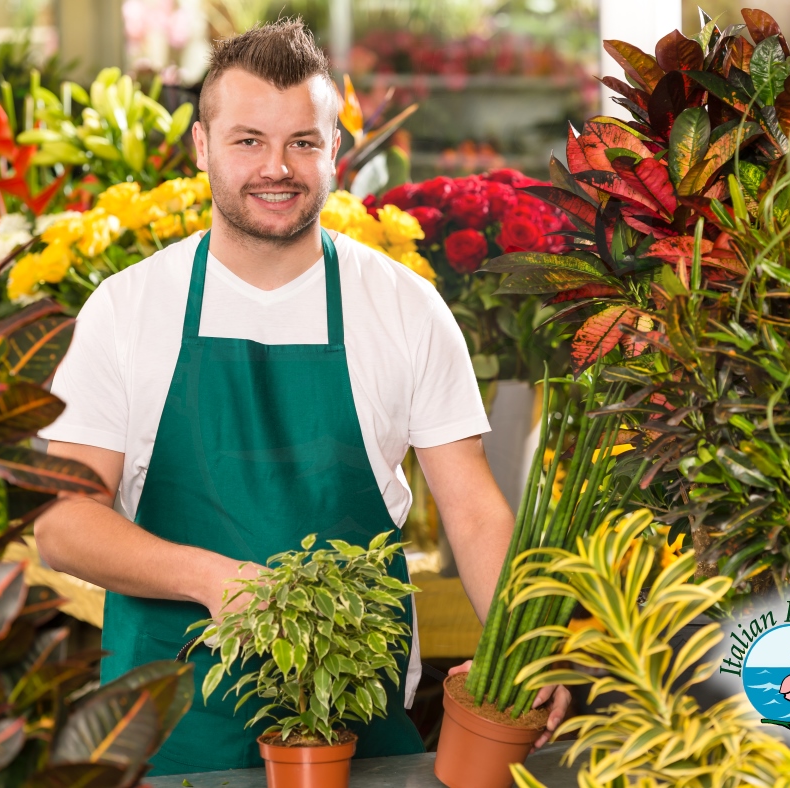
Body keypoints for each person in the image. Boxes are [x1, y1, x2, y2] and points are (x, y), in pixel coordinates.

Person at [33, 18, 570, 776]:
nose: (276, 168)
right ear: (201, 147)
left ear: (334, 151)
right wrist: (207, 578)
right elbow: (62, 523)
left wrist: (526, 649)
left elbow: (474, 510)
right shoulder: (129, 309)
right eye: (248, 139)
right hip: (166, 729)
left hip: (356, 721)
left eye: (303, 142)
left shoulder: (404, 307)